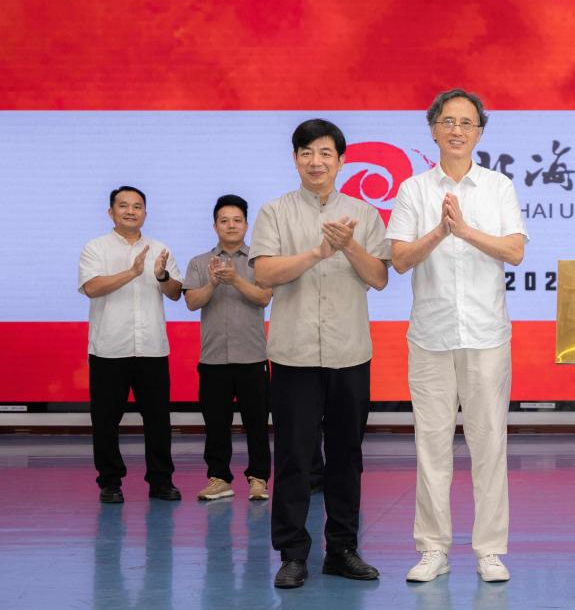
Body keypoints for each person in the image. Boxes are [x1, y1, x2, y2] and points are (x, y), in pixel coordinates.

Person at [387, 89, 528, 585]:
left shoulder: (498, 186)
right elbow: (399, 259)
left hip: (486, 335)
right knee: (432, 447)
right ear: (433, 129)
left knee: (489, 444)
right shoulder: (413, 190)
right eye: (448, 121)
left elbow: (515, 251)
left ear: (479, 133)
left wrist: (465, 231)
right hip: (431, 335)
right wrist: (439, 232)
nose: (457, 131)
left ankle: (490, 550)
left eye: (467, 123)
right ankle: (433, 549)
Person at [251, 119, 391, 589]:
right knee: (293, 457)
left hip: (349, 351)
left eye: (325, 153)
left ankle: (343, 550)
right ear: (295, 159)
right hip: (293, 354)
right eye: (307, 152)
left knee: (346, 455)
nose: (316, 162)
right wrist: (318, 251)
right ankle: (292, 554)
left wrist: (348, 245)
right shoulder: (274, 212)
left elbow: (379, 277)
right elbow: (265, 274)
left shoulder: (364, 214)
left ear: (341, 160)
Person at [78, 186, 184, 504]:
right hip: (109, 349)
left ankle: (161, 480)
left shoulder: (160, 248)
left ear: (145, 214)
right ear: (110, 212)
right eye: (123, 206)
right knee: (106, 421)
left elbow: (175, 293)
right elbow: (92, 287)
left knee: (158, 420)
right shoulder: (95, 248)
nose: (130, 211)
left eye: (137, 206)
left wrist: (162, 276)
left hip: (152, 348)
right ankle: (110, 482)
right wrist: (133, 272)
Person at [183, 195, 273, 502]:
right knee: (216, 424)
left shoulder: (260, 261)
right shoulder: (199, 262)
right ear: (215, 226)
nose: (231, 225)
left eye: (237, 220)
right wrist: (211, 283)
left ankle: (258, 478)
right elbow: (191, 302)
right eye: (224, 220)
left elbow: (263, 297)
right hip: (213, 359)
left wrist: (235, 279)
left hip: (253, 357)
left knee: (257, 423)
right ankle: (219, 478)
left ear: (246, 225)